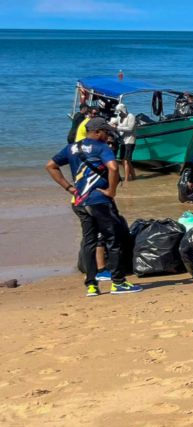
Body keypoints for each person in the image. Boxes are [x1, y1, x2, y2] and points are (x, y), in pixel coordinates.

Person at [45, 118, 141, 296]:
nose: (107, 135)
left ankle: (91, 286)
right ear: (97, 132)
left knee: (89, 242)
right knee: (113, 240)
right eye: (105, 132)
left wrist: (70, 188)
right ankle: (118, 283)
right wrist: (111, 191)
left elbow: (50, 166)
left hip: (80, 202)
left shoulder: (71, 148)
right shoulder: (101, 147)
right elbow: (113, 168)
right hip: (99, 201)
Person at [112, 103, 137, 181]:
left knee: (126, 160)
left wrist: (118, 128)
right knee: (123, 160)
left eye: (120, 112)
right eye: (118, 112)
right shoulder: (119, 117)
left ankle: (126, 180)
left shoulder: (131, 116)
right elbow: (112, 121)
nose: (119, 114)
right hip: (123, 141)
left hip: (130, 141)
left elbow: (130, 128)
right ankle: (133, 176)